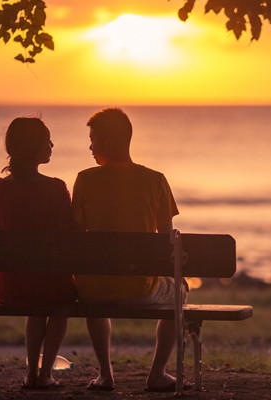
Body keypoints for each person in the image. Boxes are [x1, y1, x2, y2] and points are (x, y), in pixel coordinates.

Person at [72, 108, 185, 392]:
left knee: (97, 290)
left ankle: (105, 375)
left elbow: (75, 238)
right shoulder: (156, 180)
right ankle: (157, 374)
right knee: (180, 291)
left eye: (93, 139)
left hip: (92, 290)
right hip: (140, 289)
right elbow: (167, 241)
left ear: (109, 142)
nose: (90, 146)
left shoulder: (85, 179)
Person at [0, 117, 77, 389]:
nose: (51, 145)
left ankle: (30, 373)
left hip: (12, 286)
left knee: (35, 299)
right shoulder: (55, 188)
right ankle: (45, 373)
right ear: (33, 147)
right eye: (46, 141)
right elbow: (69, 237)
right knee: (60, 306)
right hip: (51, 284)